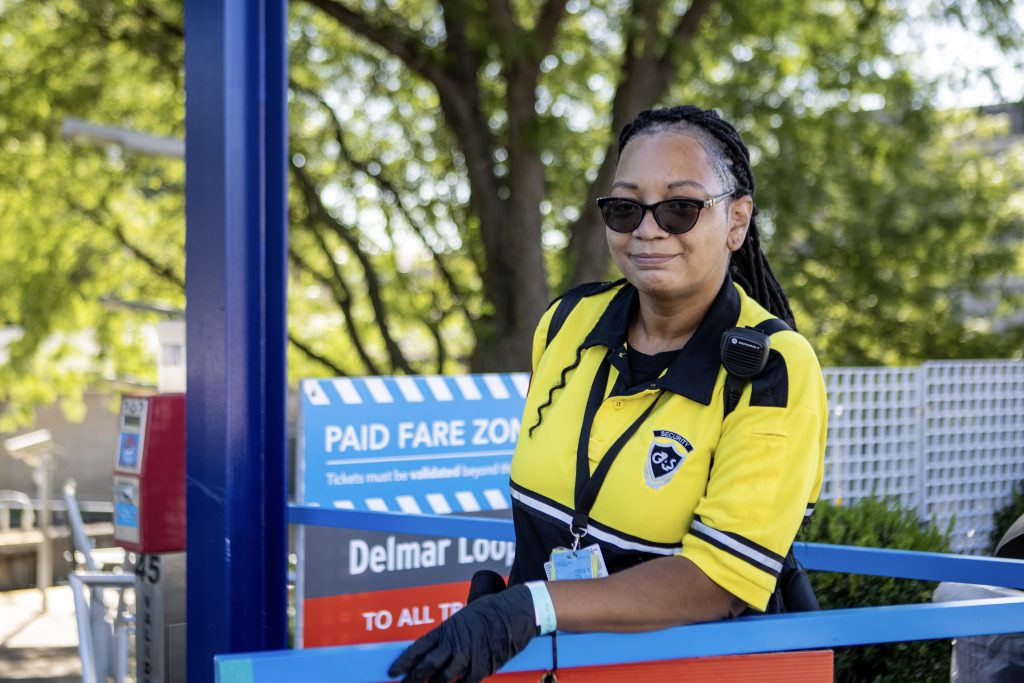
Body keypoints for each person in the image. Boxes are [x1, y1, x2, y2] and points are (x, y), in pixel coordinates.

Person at [389, 105, 827, 683]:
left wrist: (535, 606)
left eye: (680, 207)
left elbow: (719, 579)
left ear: (737, 220)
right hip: (545, 669)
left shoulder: (775, 368)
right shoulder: (566, 322)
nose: (648, 229)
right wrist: (515, 603)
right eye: (625, 208)